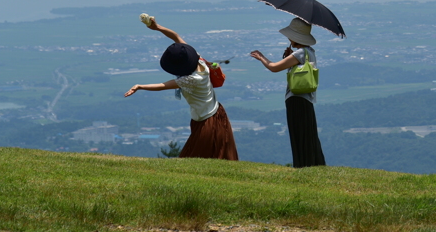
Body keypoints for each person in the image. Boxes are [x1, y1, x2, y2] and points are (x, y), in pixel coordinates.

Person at [124, 14, 238, 160]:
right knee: (216, 151)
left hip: (207, 119)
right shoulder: (199, 60)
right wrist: (157, 27)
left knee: (198, 152)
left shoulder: (192, 79)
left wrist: (140, 86)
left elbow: (163, 86)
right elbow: (176, 36)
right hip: (214, 113)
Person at [250, 17, 326, 168]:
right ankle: (314, 164)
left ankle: (302, 165)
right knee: (308, 134)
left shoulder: (299, 54)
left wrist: (261, 57)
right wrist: (289, 56)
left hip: (296, 99)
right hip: (307, 99)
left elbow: (274, 67)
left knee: (298, 133)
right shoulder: (309, 52)